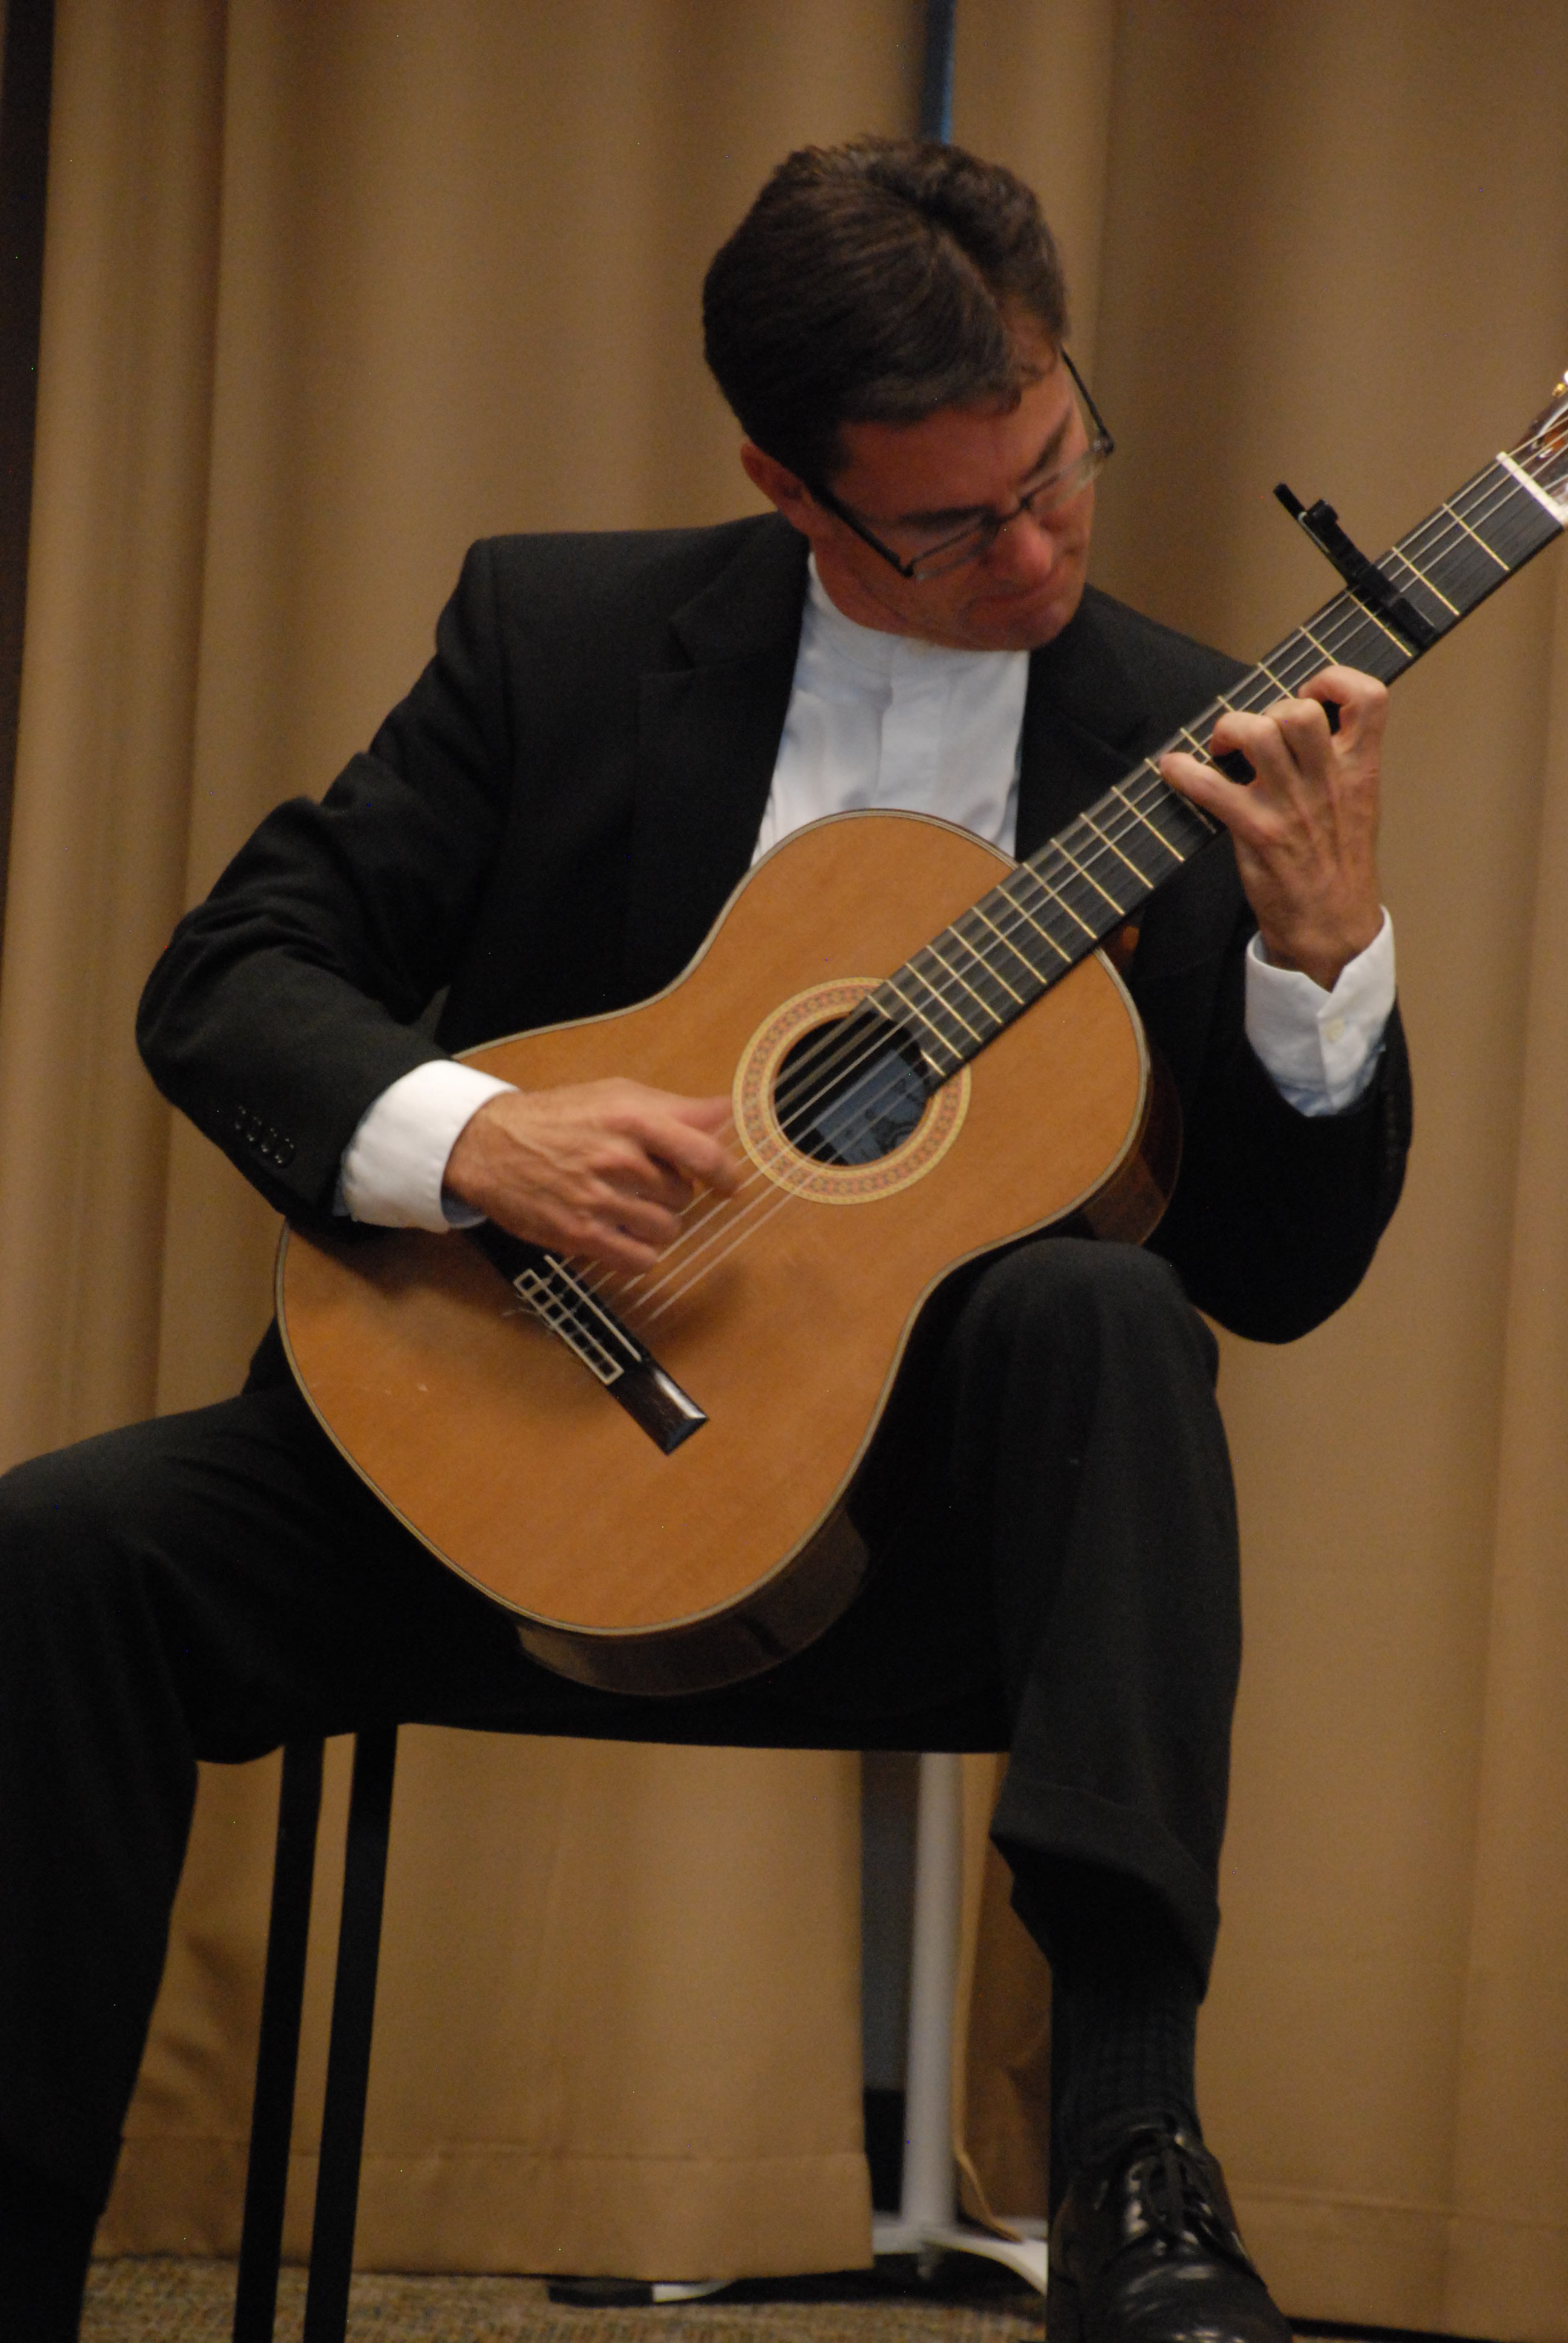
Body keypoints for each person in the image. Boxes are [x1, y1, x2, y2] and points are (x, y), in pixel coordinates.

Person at [0, 138, 1409, 2342]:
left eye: (1059, 465)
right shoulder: (552, 634)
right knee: (60, 1554)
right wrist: (481, 1145)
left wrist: (1320, 972)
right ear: (788, 481)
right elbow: (234, 977)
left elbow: (1290, 1275)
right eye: (953, 522)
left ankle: (1135, 2170)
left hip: (926, 1555)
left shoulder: (1190, 743)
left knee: (1106, 1311)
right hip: (496, 1456)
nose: (1036, 544)